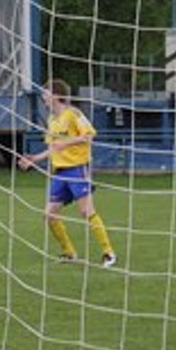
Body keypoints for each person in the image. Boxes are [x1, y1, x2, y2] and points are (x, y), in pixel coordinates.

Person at [16, 79, 117, 267]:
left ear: (55, 95)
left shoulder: (73, 113)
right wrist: (35, 158)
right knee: (50, 215)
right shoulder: (52, 120)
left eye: (46, 93)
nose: (43, 97)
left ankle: (108, 252)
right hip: (59, 173)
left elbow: (89, 135)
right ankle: (69, 252)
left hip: (77, 169)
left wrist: (67, 143)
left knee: (86, 211)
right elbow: (55, 146)